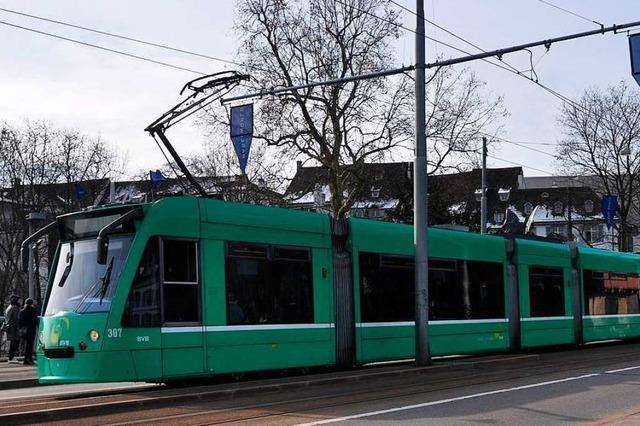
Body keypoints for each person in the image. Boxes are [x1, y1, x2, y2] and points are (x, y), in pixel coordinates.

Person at [19, 298, 38, 365]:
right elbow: (35, 321)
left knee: (24, 345)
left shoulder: (22, 311)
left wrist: (21, 328)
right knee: (29, 345)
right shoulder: (33, 311)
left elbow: (20, 321)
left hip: (24, 331)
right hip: (31, 330)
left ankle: (25, 359)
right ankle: (29, 359)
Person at [3, 295, 21, 363]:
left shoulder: (9, 307)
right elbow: (17, 319)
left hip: (9, 328)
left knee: (12, 343)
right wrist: (19, 329)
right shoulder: (15, 308)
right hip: (14, 329)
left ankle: (11, 357)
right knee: (15, 343)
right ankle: (11, 357)